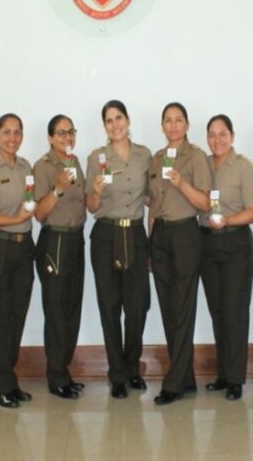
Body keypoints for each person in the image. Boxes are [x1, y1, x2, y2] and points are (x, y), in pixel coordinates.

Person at [85, 100, 152, 399]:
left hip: (135, 233)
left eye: (119, 118)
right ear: (105, 126)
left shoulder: (145, 155)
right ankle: (118, 375)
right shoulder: (96, 158)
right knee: (110, 307)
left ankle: (132, 366)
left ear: (128, 119)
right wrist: (96, 193)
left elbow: (152, 196)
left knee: (137, 307)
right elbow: (91, 206)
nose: (115, 125)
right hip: (106, 235)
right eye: (109, 121)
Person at [148, 102, 211, 406]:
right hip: (160, 234)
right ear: (162, 126)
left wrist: (182, 183)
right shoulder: (157, 158)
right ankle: (185, 379)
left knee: (183, 307)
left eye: (178, 120)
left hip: (186, 234)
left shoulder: (196, 157)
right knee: (168, 308)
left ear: (187, 124)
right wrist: (150, 242)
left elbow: (206, 203)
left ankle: (174, 382)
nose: (173, 125)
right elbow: (153, 204)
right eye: (168, 121)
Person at [199, 114, 253, 401]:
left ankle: (236, 378)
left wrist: (229, 221)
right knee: (218, 311)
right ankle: (223, 374)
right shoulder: (203, 166)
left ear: (232, 136)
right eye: (212, 135)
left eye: (223, 134)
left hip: (236, 244)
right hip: (208, 245)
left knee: (235, 312)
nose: (217, 140)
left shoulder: (244, 166)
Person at [0, 113, 36, 409]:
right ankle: (1, 386)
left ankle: (10, 381)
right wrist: (14, 219)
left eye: (17, 132)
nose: (12, 138)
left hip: (24, 246)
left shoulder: (25, 167)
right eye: (6, 133)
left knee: (17, 315)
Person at [32, 114, 87, 399]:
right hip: (54, 240)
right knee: (55, 312)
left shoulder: (75, 162)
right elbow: (40, 213)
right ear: (51, 137)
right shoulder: (42, 167)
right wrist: (58, 189)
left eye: (71, 132)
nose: (67, 137)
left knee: (71, 309)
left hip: (76, 240)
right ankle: (55, 377)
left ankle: (63, 369)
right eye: (61, 133)